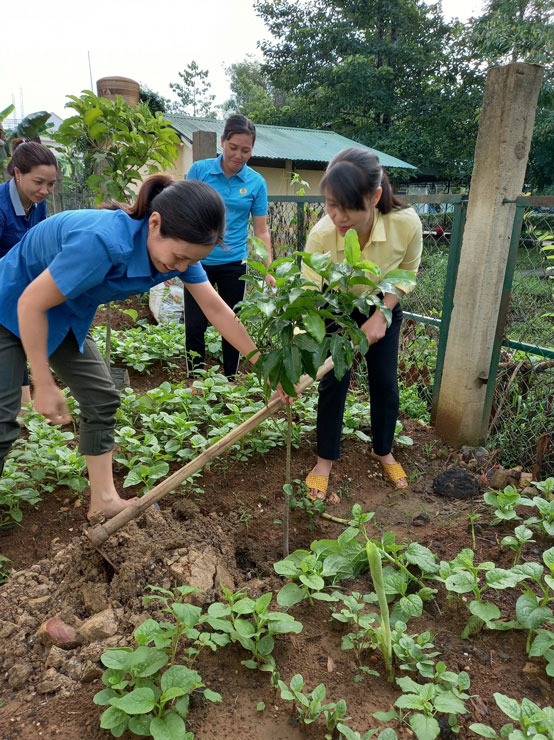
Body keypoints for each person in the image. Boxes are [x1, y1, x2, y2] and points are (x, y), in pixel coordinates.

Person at [0, 175, 282, 521]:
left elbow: (216, 308)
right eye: (179, 257)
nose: (180, 268)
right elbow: (30, 303)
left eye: (189, 262)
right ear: (155, 223)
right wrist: (42, 382)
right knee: (3, 420)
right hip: (11, 304)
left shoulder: (178, 254)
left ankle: (103, 499)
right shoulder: (102, 243)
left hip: (65, 309)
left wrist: (268, 370)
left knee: (102, 397)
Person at [302, 148, 422, 500]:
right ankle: (325, 459)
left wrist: (382, 314)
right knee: (333, 380)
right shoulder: (322, 235)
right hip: (338, 307)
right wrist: (302, 354)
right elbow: (309, 296)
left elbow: (407, 274)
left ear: (375, 197)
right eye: (330, 204)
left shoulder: (407, 223)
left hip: (383, 304)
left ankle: (382, 449)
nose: (337, 216)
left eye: (347, 206)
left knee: (384, 380)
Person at [184, 114, 274, 379]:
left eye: (246, 150)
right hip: (197, 262)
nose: (239, 155)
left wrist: (268, 268)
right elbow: (184, 214)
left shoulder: (256, 182)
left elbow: (261, 230)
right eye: (233, 147)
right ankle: (196, 378)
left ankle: (231, 379)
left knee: (234, 322)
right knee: (195, 323)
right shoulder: (199, 171)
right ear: (222, 142)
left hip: (235, 262)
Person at [0, 139, 58, 406]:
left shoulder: (37, 203)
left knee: (20, 336)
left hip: (19, 285)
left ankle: (22, 410)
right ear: (18, 173)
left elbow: (39, 242)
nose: (45, 191)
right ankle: (16, 409)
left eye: (51, 184)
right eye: (38, 182)